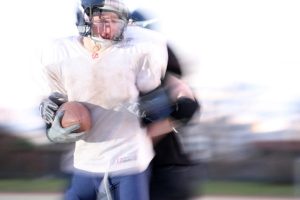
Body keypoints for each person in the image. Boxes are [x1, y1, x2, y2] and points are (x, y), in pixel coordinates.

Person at [38, 0, 170, 199]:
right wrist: (51, 125)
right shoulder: (60, 54)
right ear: (83, 19)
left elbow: (157, 107)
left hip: (129, 161)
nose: (109, 27)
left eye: (115, 20)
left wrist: (152, 106)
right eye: (101, 19)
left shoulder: (137, 50)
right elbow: (61, 104)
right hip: (85, 162)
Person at [131, 9, 203, 200]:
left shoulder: (160, 71)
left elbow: (188, 106)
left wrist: (153, 133)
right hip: (130, 169)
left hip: (163, 169)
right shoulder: (116, 73)